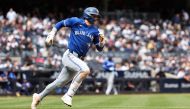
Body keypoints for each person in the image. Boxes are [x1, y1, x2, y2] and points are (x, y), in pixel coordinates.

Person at [31, 7, 105, 109]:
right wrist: (52, 34)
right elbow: (60, 24)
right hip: (70, 55)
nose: (96, 18)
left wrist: (102, 42)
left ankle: (38, 97)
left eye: (97, 16)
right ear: (87, 14)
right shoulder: (76, 21)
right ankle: (68, 95)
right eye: (94, 15)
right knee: (85, 70)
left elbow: (99, 48)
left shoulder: (95, 31)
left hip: (78, 60)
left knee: (58, 83)